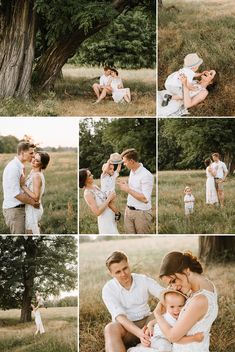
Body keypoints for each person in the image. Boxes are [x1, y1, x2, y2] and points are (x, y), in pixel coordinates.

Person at [152, 251, 218, 352]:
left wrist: (157, 314)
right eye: (170, 284)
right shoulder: (207, 285)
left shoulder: (199, 301)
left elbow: (172, 337)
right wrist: (151, 324)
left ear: (187, 271)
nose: (174, 287)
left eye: (173, 281)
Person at [102, 251, 164, 352]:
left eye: (125, 268)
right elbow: (120, 317)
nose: (123, 274)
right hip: (126, 328)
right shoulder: (108, 289)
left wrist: (153, 319)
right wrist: (140, 333)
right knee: (110, 328)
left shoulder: (142, 280)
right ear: (111, 274)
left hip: (148, 322)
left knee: (167, 304)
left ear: (128, 264)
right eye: (118, 272)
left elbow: (163, 294)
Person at [127, 290, 204, 352]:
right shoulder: (167, 316)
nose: (176, 310)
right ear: (166, 307)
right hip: (156, 338)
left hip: (159, 340)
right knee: (166, 348)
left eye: (180, 306)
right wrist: (194, 338)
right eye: (172, 307)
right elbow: (177, 339)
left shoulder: (182, 318)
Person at [2, 141, 39, 234]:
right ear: (22, 153)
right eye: (31, 153)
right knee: (20, 239)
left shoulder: (20, 167)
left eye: (33, 153)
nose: (33, 155)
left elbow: (21, 188)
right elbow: (16, 194)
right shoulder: (13, 168)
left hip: (21, 209)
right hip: (14, 210)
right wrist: (33, 203)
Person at [118, 149, 154, 234]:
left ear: (132, 161)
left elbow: (145, 199)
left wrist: (127, 189)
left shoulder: (146, 175)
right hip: (128, 211)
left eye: (125, 162)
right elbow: (136, 189)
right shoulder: (132, 171)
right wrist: (126, 184)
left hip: (141, 214)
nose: (124, 164)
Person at [79, 168, 118, 234]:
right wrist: (109, 199)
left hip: (110, 216)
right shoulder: (88, 193)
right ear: (84, 179)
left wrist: (110, 196)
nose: (92, 175)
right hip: (104, 220)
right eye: (90, 175)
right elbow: (97, 212)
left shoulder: (95, 186)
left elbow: (104, 200)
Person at [21, 151, 50, 234]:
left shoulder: (37, 176)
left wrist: (23, 186)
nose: (33, 160)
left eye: (37, 160)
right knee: (32, 230)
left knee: (30, 233)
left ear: (42, 164)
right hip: (30, 207)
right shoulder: (33, 172)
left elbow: (36, 197)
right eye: (34, 157)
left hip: (33, 209)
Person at [101, 153, 122, 221]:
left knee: (109, 204)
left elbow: (118, 169)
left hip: (111, 193)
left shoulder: (113, 176)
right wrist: (109, 161)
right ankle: (113, 214)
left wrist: (119, 162)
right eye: (110, 169)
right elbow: (105, 169)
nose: (112, 170)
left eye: (113, 169)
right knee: (107, 205)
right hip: (104, 194)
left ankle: (117, 213)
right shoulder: (103, 176)